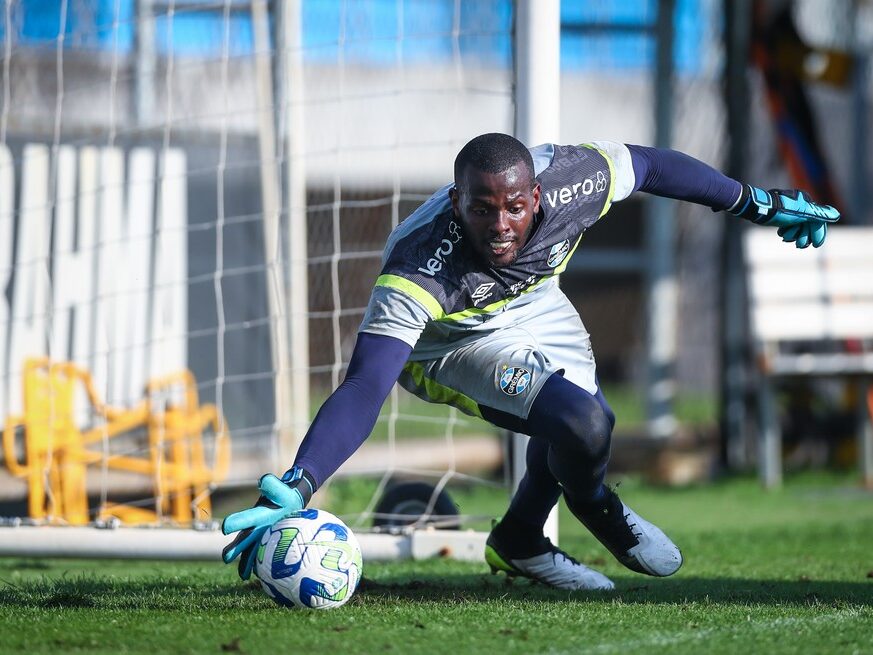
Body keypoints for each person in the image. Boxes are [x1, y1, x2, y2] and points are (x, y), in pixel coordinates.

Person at [221, 133, 840, 590]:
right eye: (480, 209)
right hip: (453, 342)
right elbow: (365, 386)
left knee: (584, 422)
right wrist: (301, 480)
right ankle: (598, 507)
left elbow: (651, 165)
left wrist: (752, 201)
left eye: (514, 207)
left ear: (537, 195)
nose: (499, 224)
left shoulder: (576, 181)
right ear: (454, 203)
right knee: (584, 423)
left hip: (537, 304)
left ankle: (519, 540)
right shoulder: (418, 269)